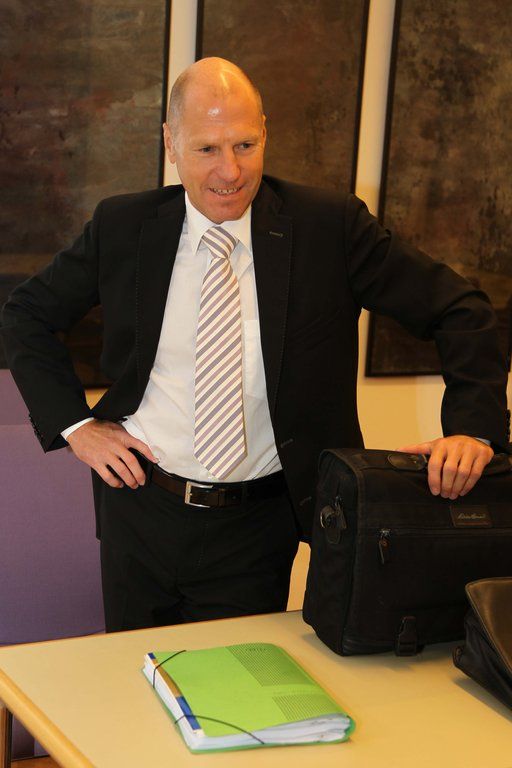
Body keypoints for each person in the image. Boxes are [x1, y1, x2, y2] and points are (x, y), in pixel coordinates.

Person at [1, 58, 508, 632]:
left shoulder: (330, 228)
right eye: (207, 149)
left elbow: (461, 309)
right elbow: (25, 314)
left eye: (245, 144)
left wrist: (473, 429)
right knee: (134, 677)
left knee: (235, 682)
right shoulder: (123, 225)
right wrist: (77, 426)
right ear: (171, 143)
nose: (230, 171)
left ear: (265, 131)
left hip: (258, 526)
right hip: (138, 508)